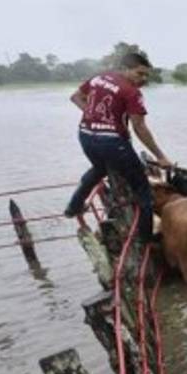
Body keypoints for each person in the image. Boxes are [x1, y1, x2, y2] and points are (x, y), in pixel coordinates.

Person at [63, 51, 172, 240]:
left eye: (146, 75)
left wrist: (93, 115)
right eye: (139, 73)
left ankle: (74, 206)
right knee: (142, 189)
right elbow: (139, 127)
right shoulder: (131, 92)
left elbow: (76, 97)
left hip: (86, 136)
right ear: (124, 69)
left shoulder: (99, 78)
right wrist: (160, 156)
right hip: (112, 142)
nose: (144, 79)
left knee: (99, 169)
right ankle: (146, 236)